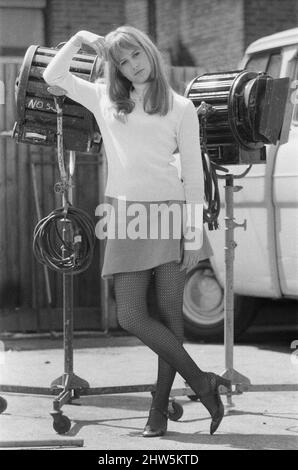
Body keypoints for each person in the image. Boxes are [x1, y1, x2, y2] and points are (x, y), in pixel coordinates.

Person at [43, 25, 230, 437]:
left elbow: (194, 178)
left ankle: (158, 411)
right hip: (125, 216)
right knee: (130, 314)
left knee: (170, 319)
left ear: (149, 52)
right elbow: (53, 77)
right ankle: (202, 382)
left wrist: (194, 237)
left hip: (169, 215)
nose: (132, 66)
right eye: (123, 62)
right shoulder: (106, 98)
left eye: (136, 56)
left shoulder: (181, 108)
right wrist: (81, 40)